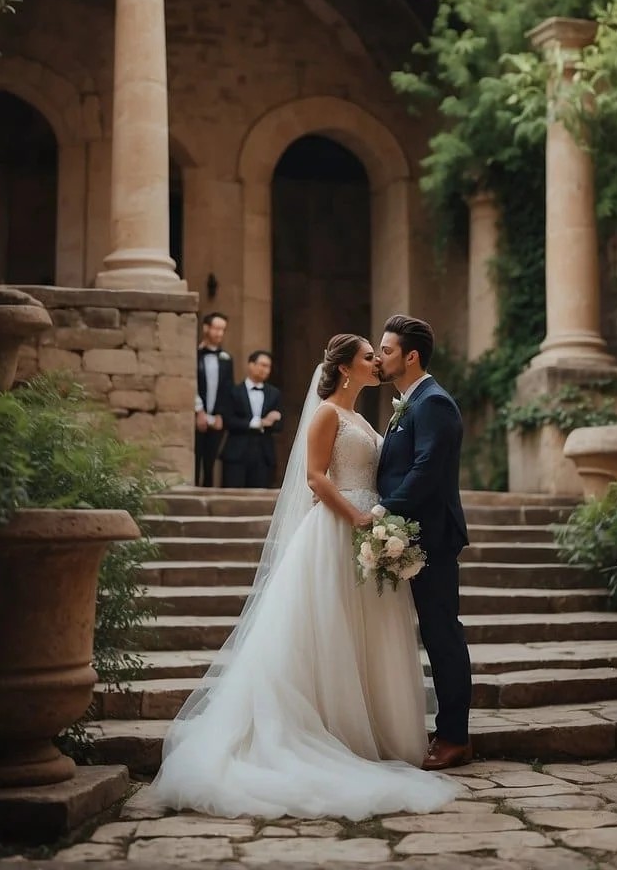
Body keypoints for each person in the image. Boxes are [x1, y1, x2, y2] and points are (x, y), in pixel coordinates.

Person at [150, 333, 458, 820]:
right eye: (367, 356)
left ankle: (370, 730)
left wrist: (377, 519)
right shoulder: (326, 415)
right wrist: (357, 518)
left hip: (368, 528)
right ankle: (324, 729)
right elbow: (316, 478)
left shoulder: (361, 417)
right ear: (343, 369)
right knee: (326, 628)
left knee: (366, 630)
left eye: (379, 353)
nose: (376, 361)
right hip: (337, 530)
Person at [377, 313, 473, 771]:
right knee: (434, 633)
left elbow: (427, 468)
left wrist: (383, 510)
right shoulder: (408, 403)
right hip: (410, 533)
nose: (380, 357)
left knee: (442, 635)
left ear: (411, 356)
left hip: (430, 536)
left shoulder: (434, 403)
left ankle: (454, 736)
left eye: (387, 350)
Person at [221, 350, 283, 488]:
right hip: (236, 452)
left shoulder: (274, 393)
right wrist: (258, 423)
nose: (266, 370)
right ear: (251, 365)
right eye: (262, 365)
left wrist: (272, 422)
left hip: (263, 454)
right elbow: (228, 420)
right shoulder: (234, 391)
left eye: (268, 367)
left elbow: (279, 424)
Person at [195, 312, 234, 487]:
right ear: (206, 328)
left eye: (223, 330)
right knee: (196, 458)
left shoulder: (226, 359)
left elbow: (227, 389)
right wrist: (199, 411)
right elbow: (191, 384)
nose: (219, 333)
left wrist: (220, 415)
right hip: (196, 415)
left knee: (211, 461)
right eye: (216, 329)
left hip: (217, 418)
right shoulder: (195, 354)